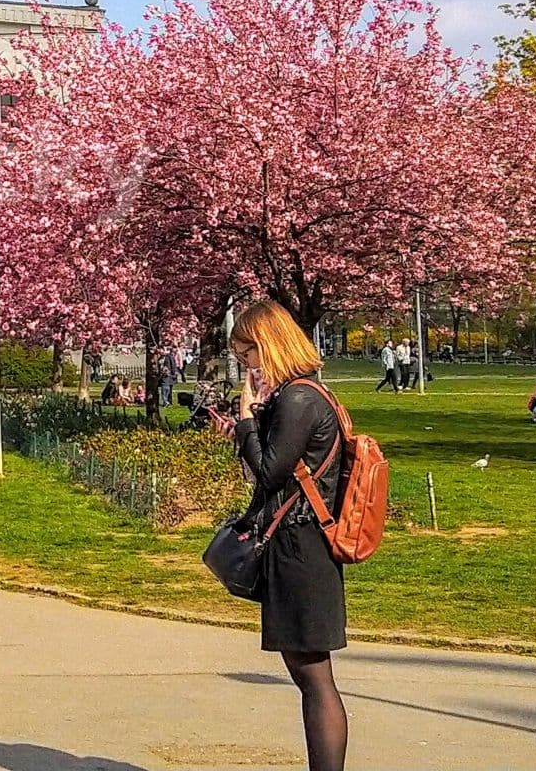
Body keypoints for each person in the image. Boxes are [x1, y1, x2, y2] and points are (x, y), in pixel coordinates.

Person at [230, 301, 348, 771]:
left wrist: (245, 420)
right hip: (299, 543)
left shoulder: (300, 399)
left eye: (248, 355)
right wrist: (257, 419)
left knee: (314, 678)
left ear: (269, 345)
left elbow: (268, 472)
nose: (248, 367)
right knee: (309, 675)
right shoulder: (301, 396)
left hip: (302, 547)